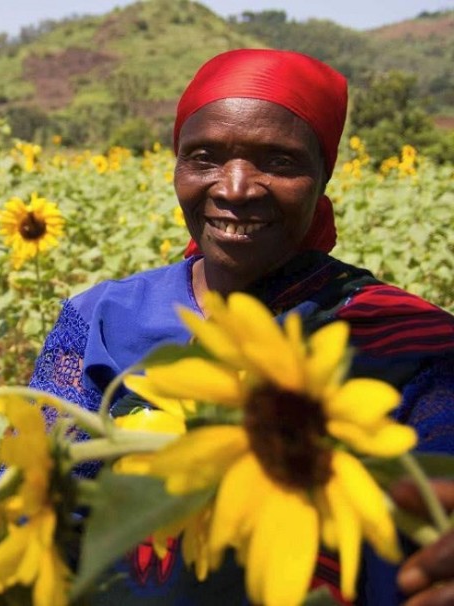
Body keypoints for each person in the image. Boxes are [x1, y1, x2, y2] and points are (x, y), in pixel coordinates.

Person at [28, 48, 454, 604]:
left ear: (323, 175)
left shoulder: (410, 344)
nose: (234, 188)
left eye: (278, 162)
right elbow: (33, 497)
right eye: (203, 157)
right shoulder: (103, 318)